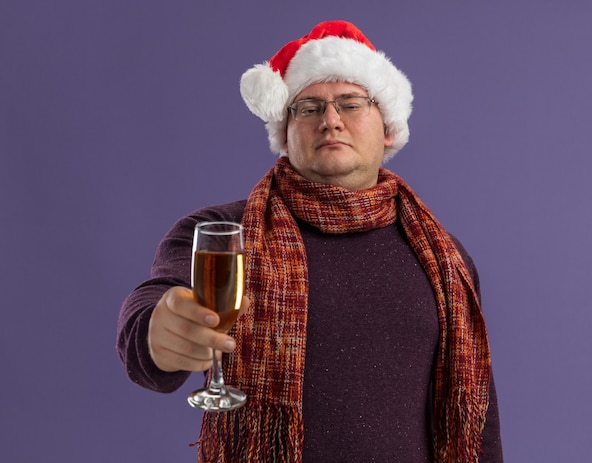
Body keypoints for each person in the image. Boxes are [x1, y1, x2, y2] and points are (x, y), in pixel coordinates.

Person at [117, 20, 503, 463]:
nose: (331, 120)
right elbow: (152, 309)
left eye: (351, 104)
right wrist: (158, 331)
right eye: (309, 108)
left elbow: (479, 417)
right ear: (285, 134)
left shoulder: (444, 256)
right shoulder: (223, 232)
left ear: (389, 129)